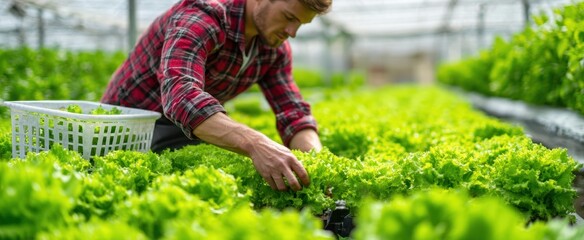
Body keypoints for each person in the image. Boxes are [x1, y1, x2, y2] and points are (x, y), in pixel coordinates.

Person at [101, 0, 332, 192]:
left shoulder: (273, 49)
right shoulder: (204, 17)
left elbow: (292, 112)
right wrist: (256, 143)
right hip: (122, 129)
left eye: (300, 24)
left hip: (185, 129)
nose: (292, 32)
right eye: (289, 17)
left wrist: (317, 168)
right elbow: (180, 95)